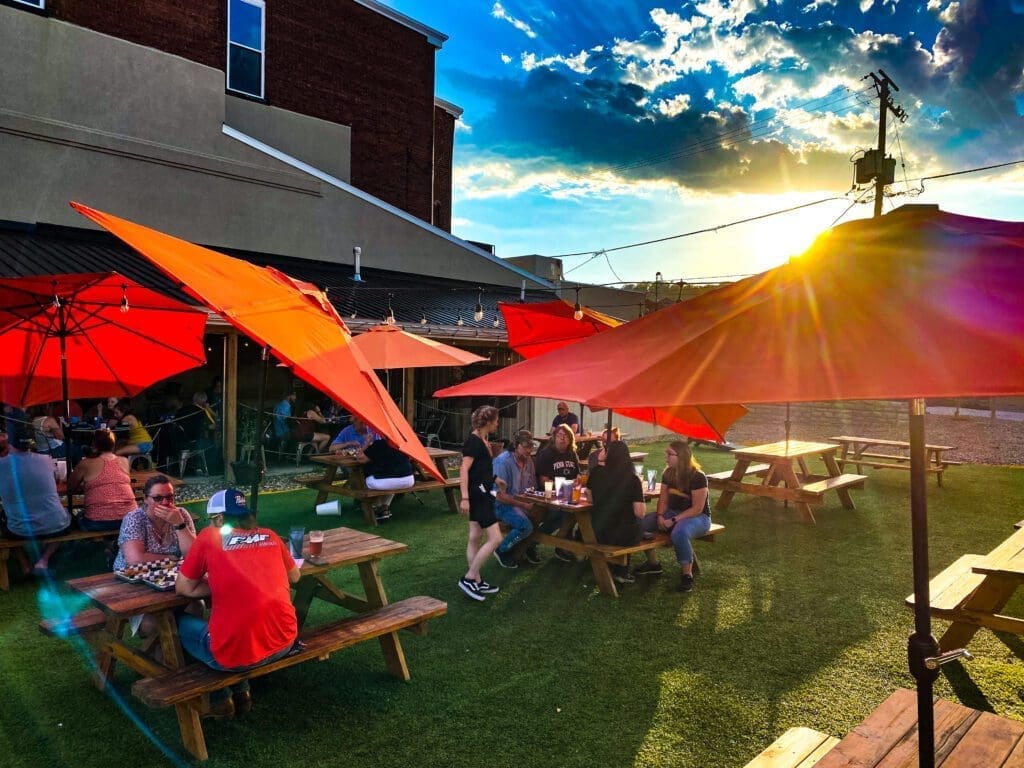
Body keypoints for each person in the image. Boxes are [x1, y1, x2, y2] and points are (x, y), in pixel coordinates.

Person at [175, 488, 300, 719]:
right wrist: (235, 583)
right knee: (231, 631)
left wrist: (224, 584)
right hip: (285, 641)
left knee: (177, 623)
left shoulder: (210, 536)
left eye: (213, 519)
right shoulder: (271, 535)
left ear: (220, 518)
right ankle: (242, 691)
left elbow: (184, 588)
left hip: (234, 657)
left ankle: (218, 698)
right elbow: (294, 577)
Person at [635, 440, 711, 593]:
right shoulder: (667, 473)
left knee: (679, 532)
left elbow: (697, 508)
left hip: (698, 518)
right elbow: (663, 500)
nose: (666, 457)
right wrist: (660, 517)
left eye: (670, 454)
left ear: (681, 456)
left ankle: (687, 576)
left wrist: (673, 520)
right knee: (639, 524)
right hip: (671, 514)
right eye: (666, 453)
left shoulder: (698, 477)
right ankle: (654, 564)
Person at [0, 424, 72, 574]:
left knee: (5, 522)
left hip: (19, 530)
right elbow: (57, 479)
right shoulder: (46, 459)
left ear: (10, 443)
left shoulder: (2, 464)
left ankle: (24, 563)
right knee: (66, 518)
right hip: (56, 527)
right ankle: (44, 560)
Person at [457, 405, 503, 601]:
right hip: (478, 496)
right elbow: (464, 470)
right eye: (496, 420)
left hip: (483, 491)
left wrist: (495, 479)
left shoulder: (483, 439)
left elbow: (480, 469)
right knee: (496, 538)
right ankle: (468, 577)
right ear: (489, 422)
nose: (498, 423)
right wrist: (465, 497)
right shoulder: (474, 441)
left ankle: (476, 579)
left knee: (475, 536)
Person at [587, 441, 645, 584]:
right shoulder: (632, 479)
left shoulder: (595, 472)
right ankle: (622, 571)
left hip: (598, 529)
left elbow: (589, 497)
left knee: (627, 524)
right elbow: (640, 513)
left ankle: (616, 567)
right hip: (622, 534)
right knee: (639, 525)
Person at [112, 474, 196, 571]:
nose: (165, 502)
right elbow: (135, 560)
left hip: (169, 573)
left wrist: (180, 524)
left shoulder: (181, 515)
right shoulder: (134, 518)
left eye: (169, 497)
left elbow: (194, 554)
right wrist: (171, 558)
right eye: (157, 498)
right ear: (146, 499)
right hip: (133, 574)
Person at [67, 429, 136, 531]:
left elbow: (71, 487)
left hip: (97, 521)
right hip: (130, 518)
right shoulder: (124, 461)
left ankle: (107, 544)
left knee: (77, 516)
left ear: (94, 445)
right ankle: (112, 544)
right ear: (113, 445)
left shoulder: (86, 463)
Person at [492, 431, 540, 568]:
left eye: (531, 447)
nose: (529, 450)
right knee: (526, 526)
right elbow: (499, 496)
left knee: (545, 515)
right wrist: (523, 505)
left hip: (521, 503)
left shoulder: (529, 460)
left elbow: (533, 487)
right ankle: (502, 550)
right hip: (500, 505)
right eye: (526, 447)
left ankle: (526, 548)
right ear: (516, 445)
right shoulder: (503, 462)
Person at [357, 435, 415, 521]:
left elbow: (360, 459)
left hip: (387, 481)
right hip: (408, 480)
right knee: (391, 482)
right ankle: (384, 507)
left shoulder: (379, 444)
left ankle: (377, 507)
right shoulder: (404, 444)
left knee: (362, 481)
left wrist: (367, 443)